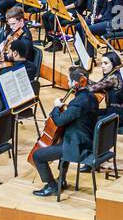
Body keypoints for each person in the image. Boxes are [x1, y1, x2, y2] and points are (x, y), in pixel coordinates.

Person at [32, 67, 99, 197]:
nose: (68, 83)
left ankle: (52, 186)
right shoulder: (92, 97)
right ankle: (61, 180)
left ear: (76, 83)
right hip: (87, 139)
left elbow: (60, 121)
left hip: (77, 147)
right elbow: (75, 115)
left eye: (69, 80)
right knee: (62, 139)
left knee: (38, 156)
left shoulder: (79, 102)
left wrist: (56, 107)